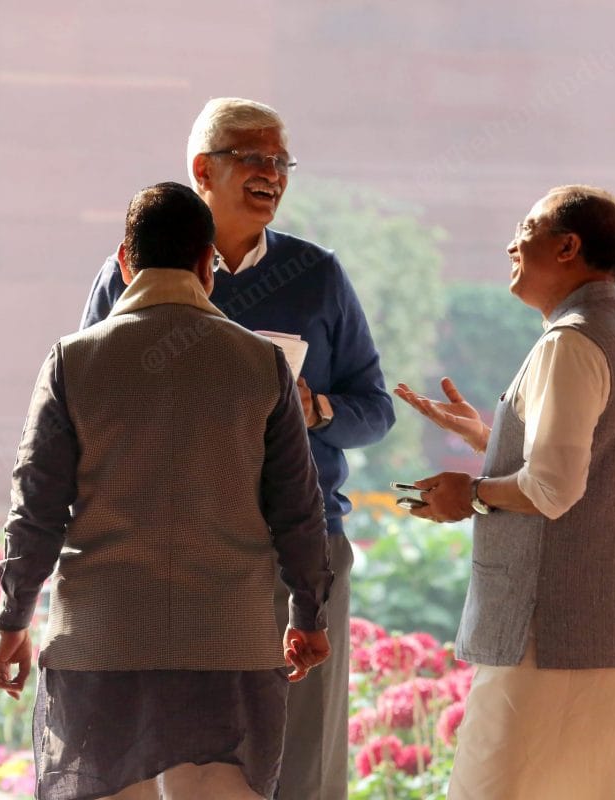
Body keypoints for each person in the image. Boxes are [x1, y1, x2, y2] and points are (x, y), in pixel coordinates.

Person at [80, 97, 394, 800]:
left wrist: (316, 410)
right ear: (203, 169)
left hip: (297, 549)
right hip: (171, 553)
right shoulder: (131, 270)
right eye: (254, 157)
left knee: (300, 760)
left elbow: (376, 410)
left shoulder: (318, 274)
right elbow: (87, 401)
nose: (272, 174)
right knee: (177, 754)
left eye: (282, 161)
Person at [0, 182, 333, 800]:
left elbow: (35, 510)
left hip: (102, 641)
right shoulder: (262, 364)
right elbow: (298, 511)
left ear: (125, 262)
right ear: (206, 264)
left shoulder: (74, 361)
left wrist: (14, 617)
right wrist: (308, 614)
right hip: (228, 643)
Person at [395, 185, 615, 799]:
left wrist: (469, 494)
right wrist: (485, 438)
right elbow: (587, 469)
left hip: (548, 639)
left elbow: (552, 488)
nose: (511, 245)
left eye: (526, 229)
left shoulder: (570, 340)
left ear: (568, 247)